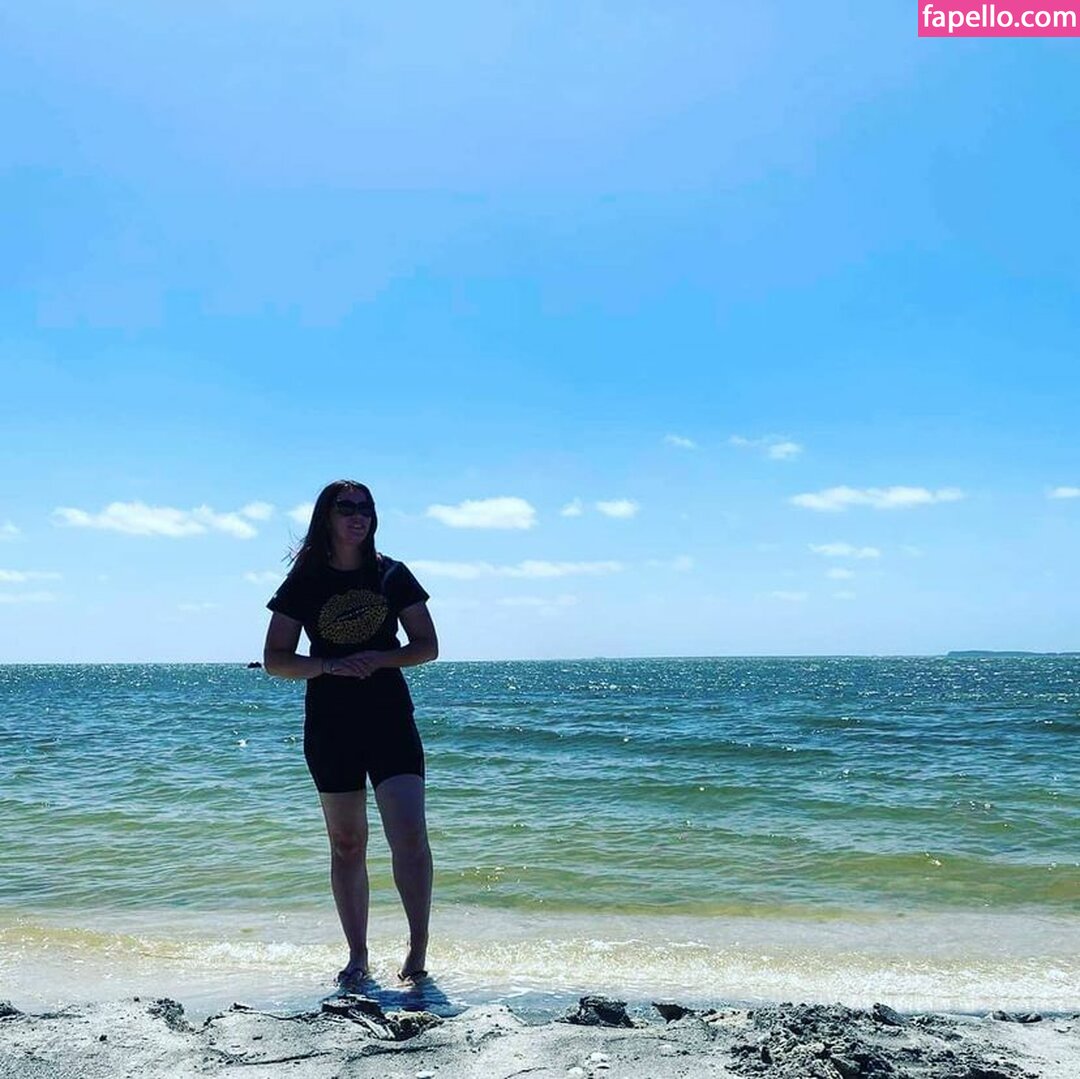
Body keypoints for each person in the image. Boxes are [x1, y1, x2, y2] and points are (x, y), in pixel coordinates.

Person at [262, 479, 438, 988]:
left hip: (389, 717)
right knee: (346, 843)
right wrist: (328, 666)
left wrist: (379, 658)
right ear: (327, 516)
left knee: (409, 835)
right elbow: (275, 659)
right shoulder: (305, 580)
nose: (358, 516)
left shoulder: (392, 574)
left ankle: (418, 949)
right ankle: (358, 955)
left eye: (366, 508)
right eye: (346, 508)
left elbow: (427, 645)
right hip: (330, 723)